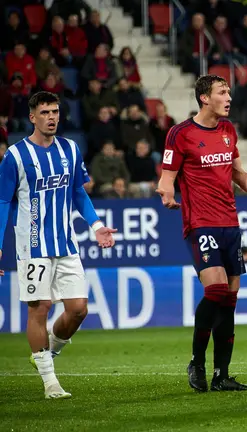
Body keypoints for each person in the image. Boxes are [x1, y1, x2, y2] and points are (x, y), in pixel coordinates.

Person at [156, 75, 247, 393]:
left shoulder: (227, 131)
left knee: (229, 300)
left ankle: (222, 375)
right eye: (222, 92)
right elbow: (168, 177)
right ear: (204, 98)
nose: (228, 97)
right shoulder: (181, 134)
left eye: (229, 92)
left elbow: (239, 174)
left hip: (229, 224)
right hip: (201, 223)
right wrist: (166, 193)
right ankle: (197, 362)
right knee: (217, 290)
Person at [0, 91, 117, 399]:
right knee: (41, 307)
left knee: (78, 309)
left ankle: (47, 350)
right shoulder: (15, 156)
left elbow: (79, 193)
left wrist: (96, 226)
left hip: (66, 243)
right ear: (33, 118)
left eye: (55, 111)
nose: (52, 117)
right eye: (46, 112)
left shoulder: (70, 149)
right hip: (32, 245)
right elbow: (2, 201)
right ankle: (50, 382)